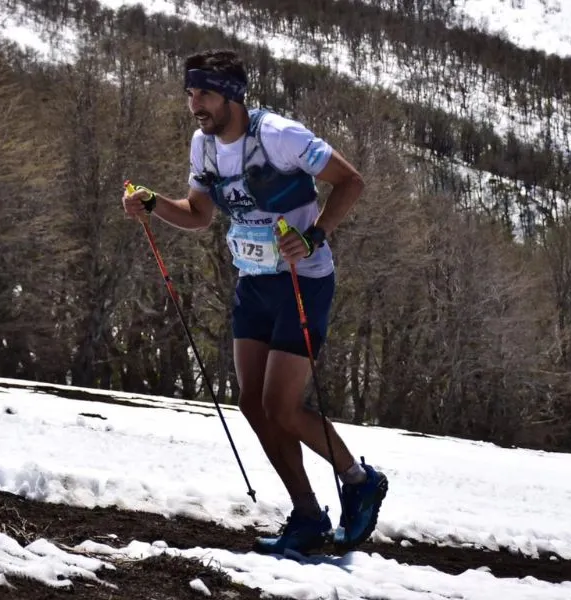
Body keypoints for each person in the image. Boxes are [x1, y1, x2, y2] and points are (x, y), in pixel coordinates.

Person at [121, 49, 387, 555]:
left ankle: (357, 479)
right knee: (252, 404)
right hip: (254, 282)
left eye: (204, 94)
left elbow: (351, 181)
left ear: (232, 95)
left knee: (281, 406)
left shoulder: (279, 136)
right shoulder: (202, 146)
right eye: (190, 94)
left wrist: (316, 235)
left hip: (302, 281)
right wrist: (153, 204)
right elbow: (199, 214)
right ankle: (307, 514)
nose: (195, 104)